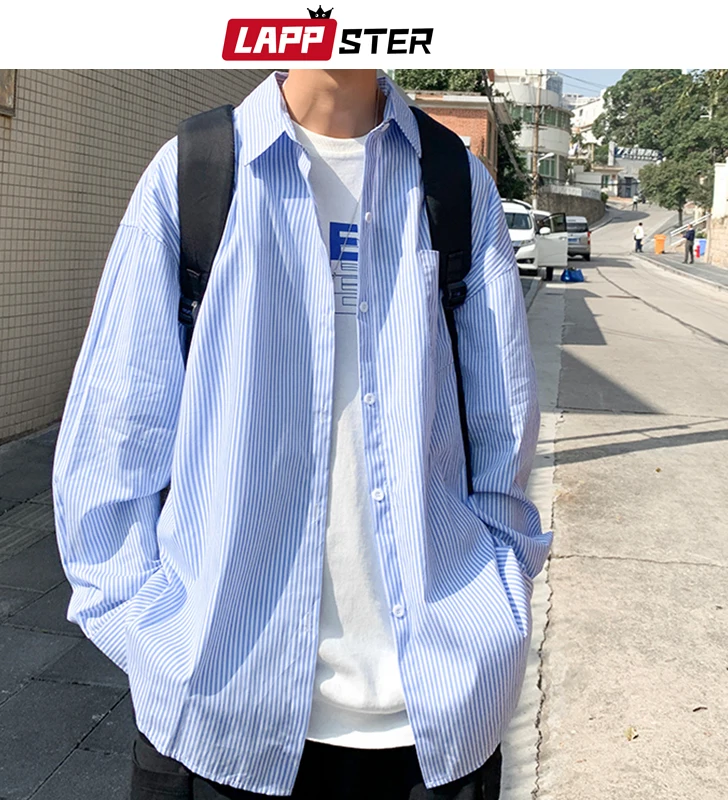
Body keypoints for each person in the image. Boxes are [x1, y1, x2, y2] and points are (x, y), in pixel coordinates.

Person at [52, 70, 551, 800]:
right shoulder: (197, 171)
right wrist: (156, 637)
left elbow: (503, 427)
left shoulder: (455, 183)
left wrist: (493, 616)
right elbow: (115, 433)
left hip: (435, 717)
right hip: (216, 715)